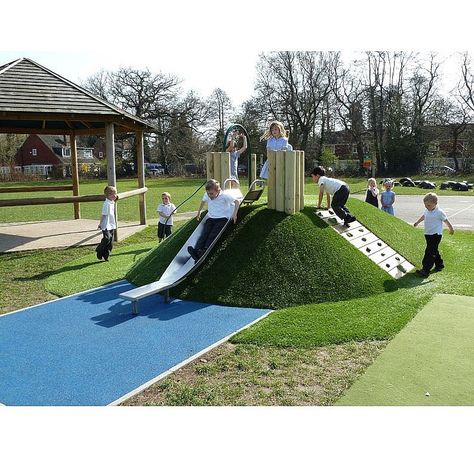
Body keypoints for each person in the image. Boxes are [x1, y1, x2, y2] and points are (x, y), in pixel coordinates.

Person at [187, 179, 240, 262]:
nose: (209, 195)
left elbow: (237, 202)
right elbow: (203, 201)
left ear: (218, 190)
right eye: (208, 193)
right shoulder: (207, 195)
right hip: (211, 218)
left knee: (212, 234)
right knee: (204, 233)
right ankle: (197, 250)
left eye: (211, 193)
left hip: (222, 219)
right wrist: (199, 212)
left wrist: (235, 213)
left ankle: (204, 250)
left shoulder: (225, 195)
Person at [413, 192, 454, 277]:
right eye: (425, 205)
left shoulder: (439, 212)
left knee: (429, 252)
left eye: (428, 205)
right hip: (428, 234)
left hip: (436, 235)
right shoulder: (427, 210)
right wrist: (417, 222)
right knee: (434, 250)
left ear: (435, 204)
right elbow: (424, 216)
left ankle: (425, 269)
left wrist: (451, 229)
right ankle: (440, 264)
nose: (427, 207)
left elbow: (446, 221)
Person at [96, 185, 117, 261]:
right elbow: (103, 215)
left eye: (116, 193)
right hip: (105, 225)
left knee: (110, 241)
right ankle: (99, 250)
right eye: (113, 194)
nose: (115, 195)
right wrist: (100, 224)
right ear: (108, 195)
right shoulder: (106, 204)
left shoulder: (112, 202)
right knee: (107, 238)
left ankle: (106, 255)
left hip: (111, 225)